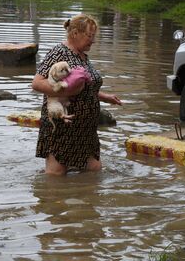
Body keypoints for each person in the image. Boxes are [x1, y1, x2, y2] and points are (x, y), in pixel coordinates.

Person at [31, 14, 122, 175]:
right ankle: (51, 199)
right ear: (75, 34)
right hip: (62, 128)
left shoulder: (82, 56)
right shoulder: (59, 52)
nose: (93, 40)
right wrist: (65, 90)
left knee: (94, 170)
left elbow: (85, 87)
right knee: (56, 176)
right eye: (90, 36)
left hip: (84, 131)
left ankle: (85, 198)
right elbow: (37, 83)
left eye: (94, 36)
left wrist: (105, 97)